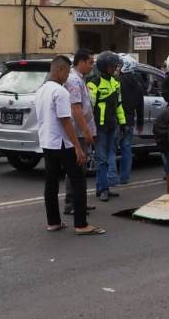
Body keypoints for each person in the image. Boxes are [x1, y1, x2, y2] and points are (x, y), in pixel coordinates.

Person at [36, 56, 104, 235]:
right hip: (62, 143)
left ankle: (53, 222)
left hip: (47, 142)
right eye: (66, 72)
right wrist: (77, 147)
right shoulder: (60, 92)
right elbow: (65, 121)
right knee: (78, 180)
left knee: (51, 183)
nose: (67, 76)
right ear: (59, 70)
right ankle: (81, 224)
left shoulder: (41, 90)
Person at [89, 51, 125, 202]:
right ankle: (103, 189)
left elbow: (119, 105)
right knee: (102, 159)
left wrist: (122, 123)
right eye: (112, 66)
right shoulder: (93, 83)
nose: (115, 68)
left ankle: (101, 188)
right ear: (104, 66)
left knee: (107, 157)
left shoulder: (116, 82)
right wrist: (89, 128)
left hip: (112, 126)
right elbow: (89, 108)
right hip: (99, 127)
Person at [63, 49, 96, 216]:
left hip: (81, 131)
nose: (92, 66)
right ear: (81, 62)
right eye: (90, 62)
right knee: (77, 169)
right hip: (78, 132)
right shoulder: (74, 81)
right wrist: (86, 130)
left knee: (81, 169)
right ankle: (72, 204)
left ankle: (79, 201)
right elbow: (76, 109)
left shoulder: (80, 80)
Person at [118, 54, 144, 185]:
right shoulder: (138, 85)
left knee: (110, 150)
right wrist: (140, 123)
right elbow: (140, 105)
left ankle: (110, 177)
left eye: (120, 65)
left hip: (118, 120)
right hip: (130, 121)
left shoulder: (118, 82)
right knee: (126, 150)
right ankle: (124, 177)